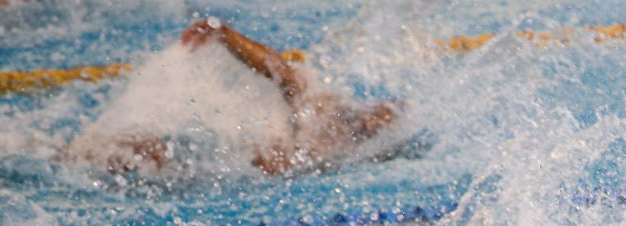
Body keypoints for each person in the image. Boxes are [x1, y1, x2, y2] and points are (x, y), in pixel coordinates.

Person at [69, 18, 402, 174]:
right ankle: (73, 154)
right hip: (224, 159)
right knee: (149, 153)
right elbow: (279, 70)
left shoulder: (335, 145)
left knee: (152, 155)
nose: (380, 114)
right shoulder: (327, 109)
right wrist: (227, 35)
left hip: (224, 164)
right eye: (382, 111)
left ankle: (73, 154)